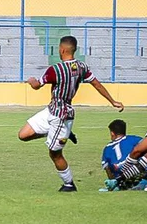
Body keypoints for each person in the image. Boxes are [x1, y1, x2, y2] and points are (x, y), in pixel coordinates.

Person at [18, 35, 125, 192]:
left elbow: (37, 85)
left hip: (61, 116)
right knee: (23, 134)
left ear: (62, 50)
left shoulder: (55, 70)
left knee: (55, 154)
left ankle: (69, 184)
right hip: (51, 110)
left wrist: (31, 80)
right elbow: (96, 84)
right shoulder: (82, 67)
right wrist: (112, 101)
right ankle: (63, 133)